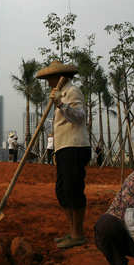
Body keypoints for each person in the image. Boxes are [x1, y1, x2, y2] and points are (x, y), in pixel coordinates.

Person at [36, 61, 91, 249]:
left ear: (61, 77)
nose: (47, 81)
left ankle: (78, 234)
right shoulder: (59, 93)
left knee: (73, 190)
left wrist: (60, 103)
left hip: (74, 146)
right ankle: (72, 231)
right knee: (62, 191)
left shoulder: (72, 91)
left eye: (50, 78)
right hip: (63, 148)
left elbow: (80, 117)